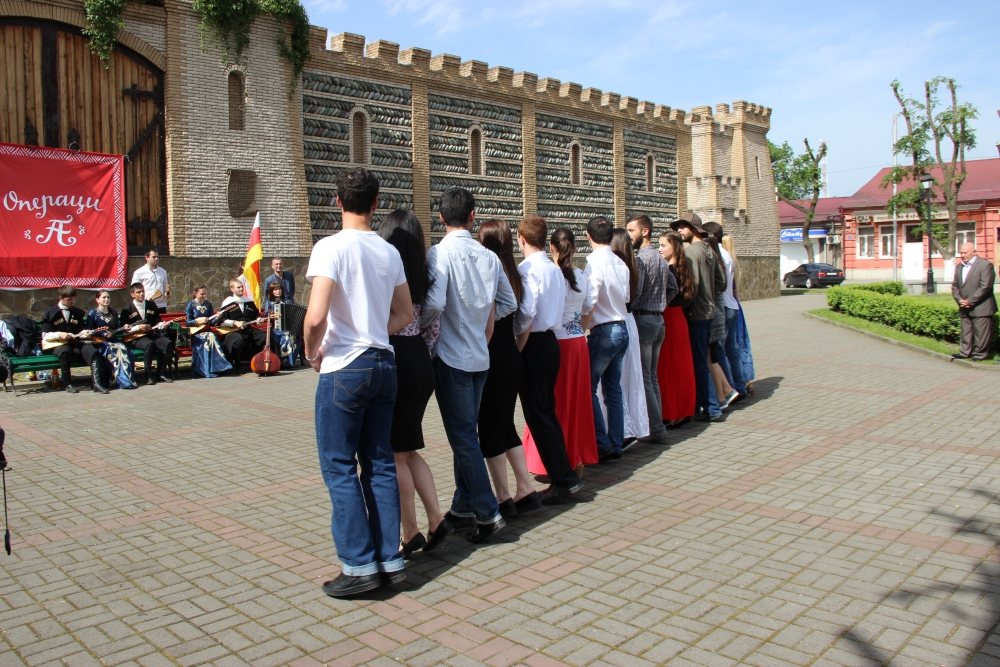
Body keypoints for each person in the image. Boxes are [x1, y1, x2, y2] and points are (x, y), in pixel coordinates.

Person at [304, 167, 413, 598]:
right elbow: (406, 313)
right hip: (384, 363)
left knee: (339, 466)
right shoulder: (389, 252)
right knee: (380, 462)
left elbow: (315, 316)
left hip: (345, 366)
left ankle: (359, 565)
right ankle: (390, 559)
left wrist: (312, 352)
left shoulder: (329, 247)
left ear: (337, 201)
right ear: (375, 203)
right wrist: (375, 331)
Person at [421, 186, 517, 543]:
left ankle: (488, 513)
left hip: (451, 356)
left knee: (463, 438)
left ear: (441, 217)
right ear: (473, 216)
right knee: (467, 436)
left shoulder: (439, 253)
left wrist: (423, 324)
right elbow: (509, 302)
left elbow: (434, 302)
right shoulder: (489, 256)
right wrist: (482, 322)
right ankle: (463, 505)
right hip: (480, 354)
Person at [376, 209, 448, 555]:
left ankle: (411, 532)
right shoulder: (424, 272)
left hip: (397, 359)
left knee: (395, 454)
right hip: (420, 359)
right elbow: (433, 324)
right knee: (407, 449)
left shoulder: (386, 272)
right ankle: (436, 521)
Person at [512, 215, 583, 503]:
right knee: (545, 411)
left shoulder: (527, 269)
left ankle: (563, 478)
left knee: (538, 413)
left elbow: (527, 312)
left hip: (534, 342)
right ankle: (563, 474)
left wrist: (517, 342)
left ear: (521, 239)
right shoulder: (554, 269)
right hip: (551, 341)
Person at [476, 219, 542, 517]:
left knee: (489, 428)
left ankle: (503, 497)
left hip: (491, 357)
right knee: (505, 424)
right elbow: (525, 318)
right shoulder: (515, 273)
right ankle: (525, 487)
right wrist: (517, 347)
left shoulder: (489, 273)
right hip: (511, 356)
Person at [525, 227, 597, 477]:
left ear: (551, 247)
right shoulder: (581, 276)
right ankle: (576, 458)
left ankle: (550, 460)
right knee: (576, 403)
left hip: (556, 342)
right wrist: (578, 329)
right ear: (574, 248)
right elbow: (589, 310)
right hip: (578, 343)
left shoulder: (551, 274)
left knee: (550, 403)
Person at [626, 214, 676, 445]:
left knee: (645, 377)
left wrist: (631, 308)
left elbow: (636, 292)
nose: (629, 235)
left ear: (645, 231)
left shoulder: (641, 259)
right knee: (652, 377)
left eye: (631, 230)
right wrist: (661, 304)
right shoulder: (660, 258)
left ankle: (656, 429)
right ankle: (657, 425)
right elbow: (673, 288)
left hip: (644, 320)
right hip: (659, 320)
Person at [583, 216, 630, 461]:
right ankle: (616, 441)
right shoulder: (620, 263)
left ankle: (601, 442)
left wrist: (582, 324)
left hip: (603, 330)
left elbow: (590, 299)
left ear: (588, 236)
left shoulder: (593, 262)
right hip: (621, 325)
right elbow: (626, 296)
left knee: (588, 386)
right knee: (613, 389)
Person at [671, 213, 723, 422]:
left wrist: (682, 305)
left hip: (696, 313)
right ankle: (706, 404)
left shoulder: (691, 252)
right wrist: (709, 295)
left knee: (699, 362)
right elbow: (721, 281)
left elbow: (692, 286)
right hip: (709, 310)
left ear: (693, 228)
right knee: (704, 360)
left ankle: (711, 407)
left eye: (682, 227)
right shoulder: (710, 249)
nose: (679, 231)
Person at [607, 228, 650, 443]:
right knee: (631, 378)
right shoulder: (632, 266)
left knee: (617, 381)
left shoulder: (616, 267)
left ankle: (623, 430)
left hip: (615, 322)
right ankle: (632, 426)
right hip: (629, 321)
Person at [657, 232, 696, 427]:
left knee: (670, 368)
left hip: (670, 317)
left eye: (663, 245)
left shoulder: (670, 269)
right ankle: (683, 408)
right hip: (678, 317)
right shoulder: (684, 267)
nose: (660, 249)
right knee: (679, 366)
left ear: (674, 246)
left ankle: (673, 411)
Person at [700, 222, 739, 409]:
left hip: (717, 309)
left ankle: (726, 392)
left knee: (715, 355)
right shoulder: (724, 255)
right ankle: (731, 389)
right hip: (727, 306)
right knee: (724, 352)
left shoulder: (716, 257)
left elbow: (719, 285)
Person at [40, 285, 100, 393]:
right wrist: (59, 334)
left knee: (91, 350)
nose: (72, 302)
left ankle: (97, 383)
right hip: (58, 344)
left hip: (76, 343)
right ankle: (67, 384)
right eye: (69, 299)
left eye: (74, 299)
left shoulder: (77, 312)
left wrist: (85, 333)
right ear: (61, 298)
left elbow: (81, 330)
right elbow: (45, 335)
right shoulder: (50, 313)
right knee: (65, 351)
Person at [121, 282, 175, 386]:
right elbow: (125, 329)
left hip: (151, 334)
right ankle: (148, 375)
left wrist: (162, 325)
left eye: (143, 291)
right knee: (149, 345)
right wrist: (138, 327)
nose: (142, 294)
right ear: (132, 294)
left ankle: (160, 373)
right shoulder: (127, 309)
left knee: (168, 344)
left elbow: (157, 321)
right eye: (138, 292)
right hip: (136, 337)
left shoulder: (151, 305)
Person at [720, 234, 755, 394]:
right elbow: (735, 291)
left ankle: (733, 385)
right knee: (738, 345)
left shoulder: (723, 260)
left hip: (727, 306)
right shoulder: (732, 261)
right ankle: (743, 382)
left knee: (728, 348)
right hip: (736, 306)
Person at [951, 241, 997, 361]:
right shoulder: (959, 266)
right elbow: (955, 286)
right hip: (964, 306)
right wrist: (959, 300)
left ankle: (979, 354)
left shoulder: (985, 265)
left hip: (981, 306)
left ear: (974, 252)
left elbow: (985, 286)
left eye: (965, 252)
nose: (962, 255)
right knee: (966, 332)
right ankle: (964, 352)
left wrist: (970, 301)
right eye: (961, 252)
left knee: (981, 333)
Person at [86, 290, 137, 390]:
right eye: (104, 297)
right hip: (100, 342)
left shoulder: (113, 312)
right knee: (116, 351)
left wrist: (124, 328)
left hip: (114, 340)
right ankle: (122, 381)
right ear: (97, 300)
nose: (106, 299)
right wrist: (102, 333)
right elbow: (89, 331)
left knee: (128, 352)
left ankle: (127, 380)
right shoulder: (93, 314)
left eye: (108, 297)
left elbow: (116, 329)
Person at [219, 279, 271, 372]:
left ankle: (261, 362)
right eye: (238, 287)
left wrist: (258, 319)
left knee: (264, 337)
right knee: (238, 341)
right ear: (232, 289)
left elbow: (256, 315)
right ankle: (237, 366)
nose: (241, 289)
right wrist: (235, 322)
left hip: (248, 329)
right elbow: (221, 320)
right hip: (233, 331)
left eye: (242, 287)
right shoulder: (228, 303)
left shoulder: (248, 301)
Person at [185, 285, 234, 378]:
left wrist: (218, 317)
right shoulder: (191, 305)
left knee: (211, 336)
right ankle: (205, 369)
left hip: (207, 331)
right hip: (196, 333)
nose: (204, 296)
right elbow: (187, 322)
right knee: (209, 337)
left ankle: (217, 368)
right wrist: (197, 320)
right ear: (195, 293)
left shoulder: (208, 304)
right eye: (202, 294)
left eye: (205, 294)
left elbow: (212, 322)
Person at [261, 281, 299, 368]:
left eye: (279, 289)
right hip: (276, 329)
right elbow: (266, 316)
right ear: (271, 291)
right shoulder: (269, 303)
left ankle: (291, 361)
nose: (278, 291)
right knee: (286, 336)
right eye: (275, 290)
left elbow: (294, 313)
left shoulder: (288, 301)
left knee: (295, 336)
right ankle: (284, 361)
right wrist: (271, 316)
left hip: (289, 328)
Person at [131, 248, 170, 314]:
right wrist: (146, 298)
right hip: (146, 305)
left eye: (157, 257)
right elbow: (134, 289)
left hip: (161, 305)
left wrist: (167, 293)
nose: (156, 259)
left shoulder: (163, 271)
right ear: (147, 257)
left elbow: (166, 287)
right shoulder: (139, 272)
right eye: (154, 257)